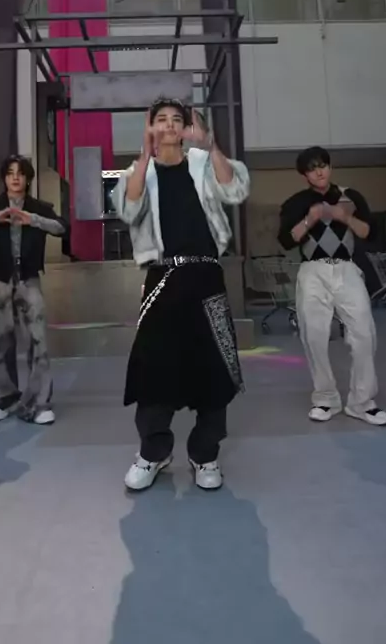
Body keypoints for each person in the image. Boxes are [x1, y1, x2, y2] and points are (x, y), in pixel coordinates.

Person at [113, 98, 250, 492]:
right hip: (163, 278)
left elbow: (236, 189)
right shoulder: (139, 171)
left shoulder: (203, 162)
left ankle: (205, 453)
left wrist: (210, 146)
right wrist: (144, 156)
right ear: (150, 128)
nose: (170, 125)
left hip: (206, 276)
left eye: (178, 119)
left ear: (188, 128)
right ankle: (154, 452)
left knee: (215, 367)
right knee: (154, 368)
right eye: (161, 120)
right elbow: (127, 209)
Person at [278, 146, 386, 426]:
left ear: (330, 167)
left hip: (346, 268)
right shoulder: (297, 202)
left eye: (323, 165)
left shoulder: (350, 196)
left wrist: (344, 217)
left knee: (364, 332)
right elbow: (287, 240)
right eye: (312, 168)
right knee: (314, 334)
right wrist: (312, 217)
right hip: (312, 270)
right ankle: (325, 398)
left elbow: (369, 232)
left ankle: (362, 402)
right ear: (304, 175)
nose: (319, 172)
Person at [0, 155, 67, 425]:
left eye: (20, 173)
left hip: (28, 279)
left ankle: (39, 402)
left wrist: (33, 220)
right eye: (10, 173)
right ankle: (1, 398)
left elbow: (63, 228)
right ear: (4, 178)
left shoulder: (39, 208)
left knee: (38, 340)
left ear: (28, 178)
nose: (15, 178)